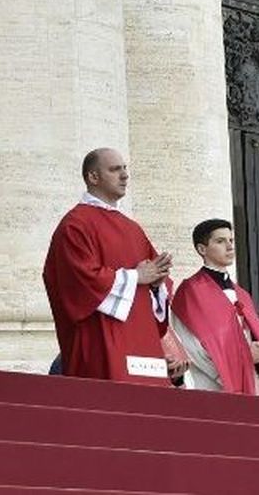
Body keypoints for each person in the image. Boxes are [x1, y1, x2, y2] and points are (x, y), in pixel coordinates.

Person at [42, 148, 175, 386]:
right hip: (102, 342)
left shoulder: (133, 228)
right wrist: (136, 276)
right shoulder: (75, 225)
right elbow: (79, 281)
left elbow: (152, 281)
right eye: (115, 169)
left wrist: (156, 283)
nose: (124, 176)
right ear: (93, 177)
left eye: (125, 169)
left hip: (143, 344)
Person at [167, 219, 259, 396]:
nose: (230, 246)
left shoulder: (242, 295)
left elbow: (249, 336)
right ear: (202, 249)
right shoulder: (191, 291)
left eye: (231, 240)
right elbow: (190, 345)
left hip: (251, 380)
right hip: (212, 384)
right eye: (220, 241)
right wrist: (237, 364)